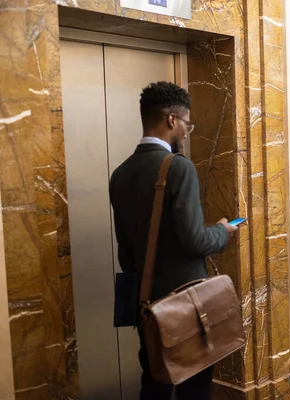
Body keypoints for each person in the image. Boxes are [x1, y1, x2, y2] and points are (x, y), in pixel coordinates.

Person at [109, 81, 238, 400]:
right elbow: (195, 239)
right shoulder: (178, 168)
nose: (186, 132)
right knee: (193, 385)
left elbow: (124, 249)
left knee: (154, 380)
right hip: (185, 304)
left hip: (146, 304)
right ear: (171, 120)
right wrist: (223, 231)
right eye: (187, 125)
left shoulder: (120, 174)